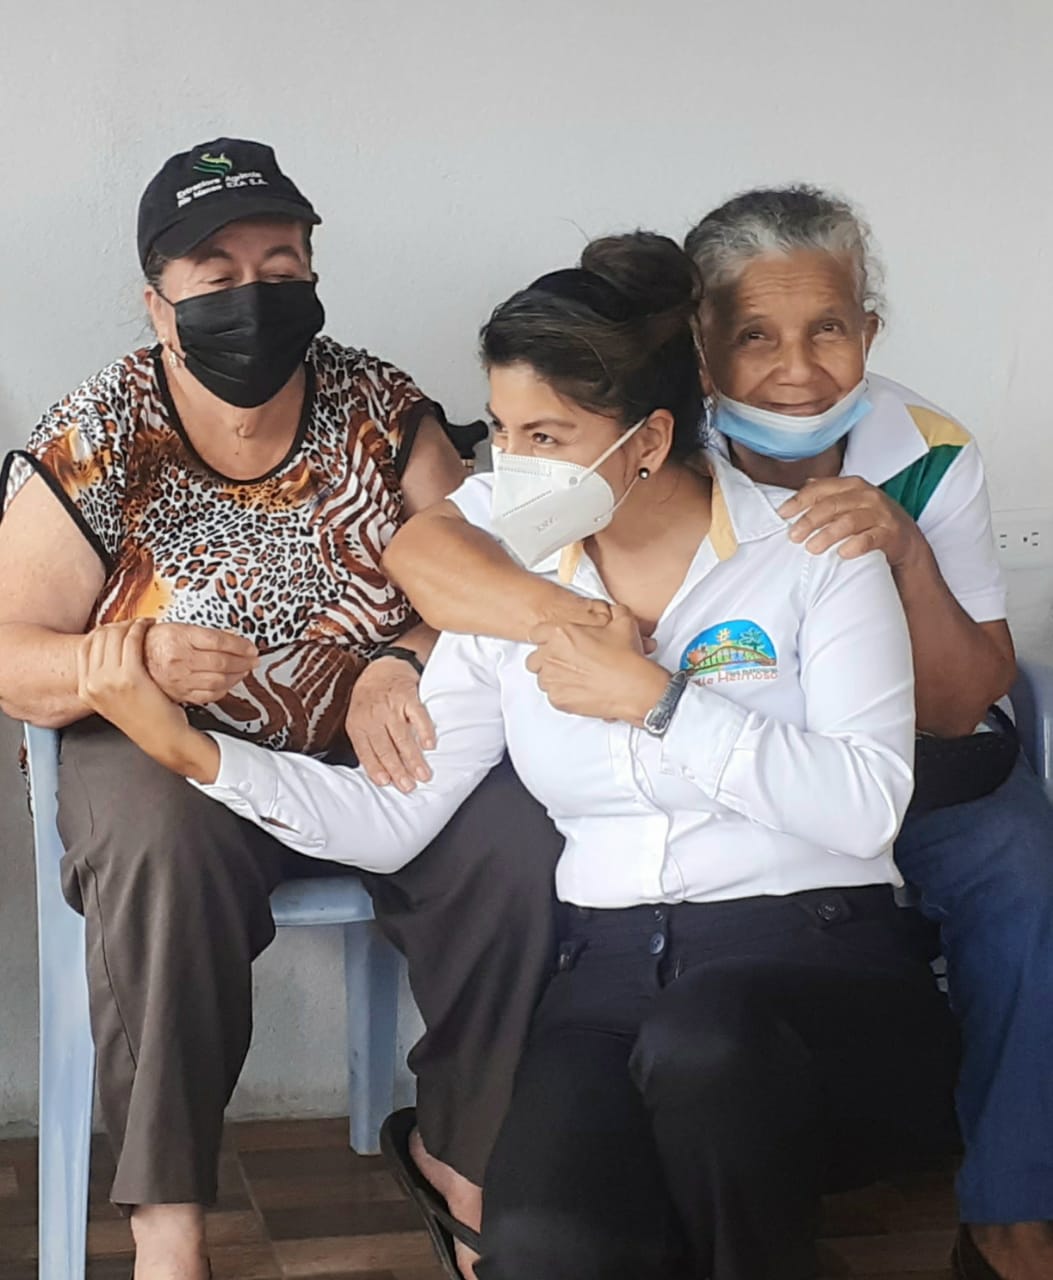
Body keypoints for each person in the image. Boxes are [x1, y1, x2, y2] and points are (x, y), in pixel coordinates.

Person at [73, 231, 961, 1280]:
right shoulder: (515, 594)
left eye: (546, 434)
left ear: (647, 438)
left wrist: (659, 702)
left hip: (812, 955)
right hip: (611, 973)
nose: (510, 466)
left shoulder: (811, 554)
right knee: (542, 1245)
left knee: (709, 1052)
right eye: (498, 430)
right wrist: (193, 754)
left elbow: (866, 804)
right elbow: (395, 817)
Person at [383, 187, 1053, 1280]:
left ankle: (1010, 1208)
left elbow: (960, 698)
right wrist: (564, 627)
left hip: (926, 760)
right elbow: (425, 549)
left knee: (1021, 867)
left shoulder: (925, 446)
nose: (797, 370)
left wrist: (903, 555)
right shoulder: (609, 448)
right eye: (754, 336)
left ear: (869, 331)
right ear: (696, 346)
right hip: (708, 795)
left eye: (828, 328)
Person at [0, 137, 563, 1280]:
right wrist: (134, 656)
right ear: (158, 303)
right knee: (160, 848)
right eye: (215, 273)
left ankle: (466, 1157)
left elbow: (484, 578)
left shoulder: (380, 407)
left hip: (373, 744)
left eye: (281, 264)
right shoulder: (99, 432)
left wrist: (399, 655)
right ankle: (169, 1227)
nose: (252, 295)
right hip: (168, 753)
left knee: (522, 837)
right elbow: (11, 651)